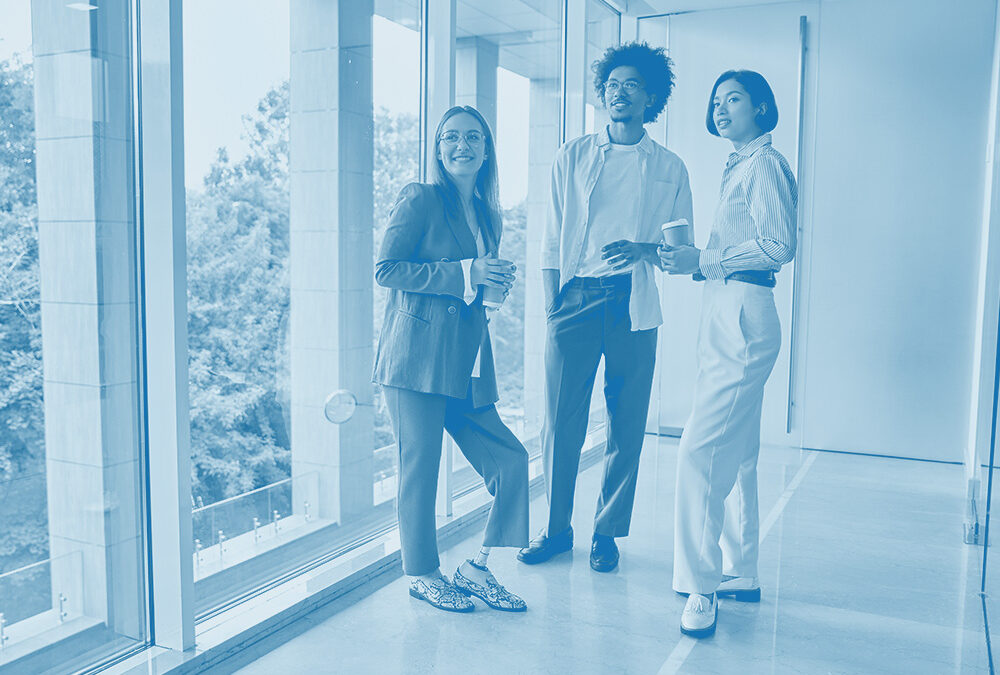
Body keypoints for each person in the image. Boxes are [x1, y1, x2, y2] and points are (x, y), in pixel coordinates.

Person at [517, 42, 693, 573]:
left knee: (626, 422)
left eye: (632, 85)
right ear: (603, 93)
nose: (619, 93)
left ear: (651, 97)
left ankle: (607, 532)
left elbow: (682, 253)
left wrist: (644, 250)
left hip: (633, 307)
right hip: (575, 299)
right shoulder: (572, 155)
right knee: (560, 422)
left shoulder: (669, 167)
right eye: (612, 84)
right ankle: (555, 529)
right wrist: (553, 304)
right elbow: (549, 239)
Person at [373, 106, 530, 613]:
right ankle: (422, 574)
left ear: (486, 150)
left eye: (473, 138)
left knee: (511, 460)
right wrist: (463, 271)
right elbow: (387, 268)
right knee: (420, 468)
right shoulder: (420, 198)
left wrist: (491, 289)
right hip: (415, 359)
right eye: (451, 138)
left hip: (466, 360)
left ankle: (477, 567)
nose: (462, 145)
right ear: (439, 149)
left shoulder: (490, 215)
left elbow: (475, 290)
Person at [660, 70, 797, 637]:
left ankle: (702, 586)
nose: (720, 108)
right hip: (727, 306)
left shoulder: (764, 164)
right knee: (736, 449)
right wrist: (699, 259)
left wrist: (708, 259)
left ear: (761, 107)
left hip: (742, 308)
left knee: (699, 448)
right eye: (715, 101)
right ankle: (740, 569)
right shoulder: (741, 163)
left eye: (733, 99)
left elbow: (778, 244)